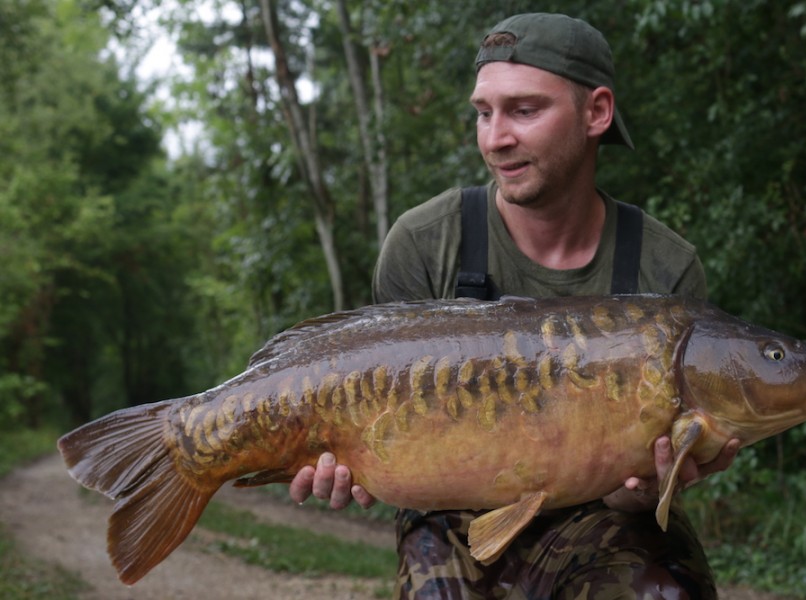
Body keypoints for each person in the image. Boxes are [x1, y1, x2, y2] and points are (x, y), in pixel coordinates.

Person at [290, 13, 739, 599]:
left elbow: (642, 485)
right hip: (453, 514)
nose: (495, 137)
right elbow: (373, 418)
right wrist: (340, 459)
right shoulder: (425, 242)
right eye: (484, 112)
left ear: (596, 112)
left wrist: (646, 488)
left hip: (605, 519)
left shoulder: (663, 268)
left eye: (524, 111)